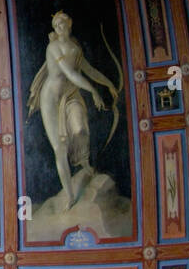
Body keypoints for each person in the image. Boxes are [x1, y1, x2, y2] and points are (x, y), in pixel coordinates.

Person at [26, 11, 120, 208]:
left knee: (80, 129)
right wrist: (93, 91)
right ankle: (69, 195)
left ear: (69, 25)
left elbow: (88, 70)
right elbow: (69, 73)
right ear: (55, 28)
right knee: (59, 149)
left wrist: (107, 83)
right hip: (51, 99)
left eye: (63, 24)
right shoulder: (53, 47)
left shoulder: (75, 48)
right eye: (57, 25)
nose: (60, 27)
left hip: (71, 95)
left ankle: (83, 162)